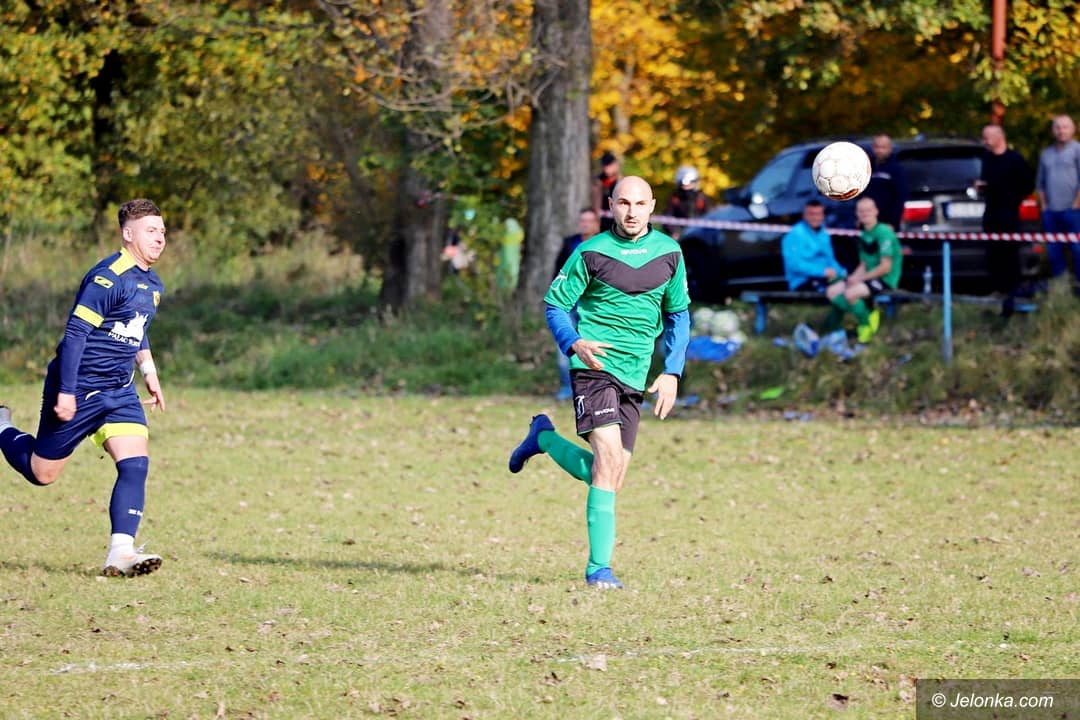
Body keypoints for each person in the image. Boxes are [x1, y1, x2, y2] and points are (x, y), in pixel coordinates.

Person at [508, 176, 690, 591]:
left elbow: (679, 315)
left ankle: (543, 438)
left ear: (652, 206)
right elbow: (555, 304)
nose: (631, 211)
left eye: (639, 203)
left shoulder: (670, 252)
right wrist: (574, 342)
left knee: (610, 474)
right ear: (610, 205)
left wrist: (672, 371)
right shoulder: (590, 252)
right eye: (623, 203)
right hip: (594, 368)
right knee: (607, 461)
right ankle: (598, 570)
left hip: (635, 374)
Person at [0, 199, 168, 577]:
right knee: (42, 473)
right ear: (128, 234)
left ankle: (121, 552)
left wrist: (149, 371)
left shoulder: (153, 283)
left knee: (136, 463)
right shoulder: (108, 277)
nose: (159, 238)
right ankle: (2, 426)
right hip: (81, 386)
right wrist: (66, 391)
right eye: (150, 231)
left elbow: (137, 328)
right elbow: (76, 333)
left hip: (119, 389)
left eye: (162, 231)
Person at [829, 197, 904, 343]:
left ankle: (866, 325)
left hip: (885, 279)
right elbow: (864, 264)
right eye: (861, 211)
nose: (865, 214)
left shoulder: (884, 233)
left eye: (868, 210)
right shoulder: (864, 233)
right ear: (857, 213)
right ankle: (865, 313)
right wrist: (854, 278)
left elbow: (885, 267)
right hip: (869, 277)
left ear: (876, 211)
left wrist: (860, 279)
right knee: (832, 291)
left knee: (851, 294)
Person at [978, 124, 1035, 314]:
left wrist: (1013, 197)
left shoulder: (1015, 159)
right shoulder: (986, 159)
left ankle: (1013, 290)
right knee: (992, 252)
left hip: (1009, 213)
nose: (985, 141)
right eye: (983, 137)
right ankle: (997, 288)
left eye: (988, 137)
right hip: (991, 212)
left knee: (1009, 252)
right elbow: (987, 182)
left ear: (999, 136)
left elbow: (1027, 184)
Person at [553, 208, 601, 401]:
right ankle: (568, 387)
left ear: (596, 224)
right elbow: (558, 272)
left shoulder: (605, 244)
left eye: (589, 221)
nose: (585, 224)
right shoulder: (569, 243)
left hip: (594, 306)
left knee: (595, 345)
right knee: (566, 343)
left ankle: (597, 388)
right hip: (569, 304)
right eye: (582, 221)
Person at [1035, 114, 1080, 290]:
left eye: (1065, 127)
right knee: (1054, 252)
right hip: (1051, 212)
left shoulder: (1077, 150)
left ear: (1073, 129)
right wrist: (1045, 207)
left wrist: (1076, 204)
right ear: (1053, 131)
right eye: (1058, 127)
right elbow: (1040, 183)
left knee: (1077, 250)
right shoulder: (1046, 154)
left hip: (1074, 211)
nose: (1061, 131)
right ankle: (1061, 289)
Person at [862, 133, 908, 230]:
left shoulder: (896, 169)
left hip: (887, 223)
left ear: (890, 148)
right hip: (867, 222)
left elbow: (900, 197)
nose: (879, 150)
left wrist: (893, 222)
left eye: (883, 147)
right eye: (877, 147)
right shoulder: (867, 167)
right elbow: (861, 194)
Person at [662, 165, 711, 240]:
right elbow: (667, 217)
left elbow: (709, 218)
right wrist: (674, 232)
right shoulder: (674, 199)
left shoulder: (701, 199)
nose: (686, 187)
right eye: (683, 185)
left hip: (699, 236)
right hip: (679, 236)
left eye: (689, 184)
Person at [591, 151, 621, 232]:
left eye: (610, 165)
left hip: (616, 219)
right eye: (605, 166)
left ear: (615, 165)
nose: (607, 169)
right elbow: (596, 202)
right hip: (602, 220)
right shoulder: (599, 181)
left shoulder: (621, 181)